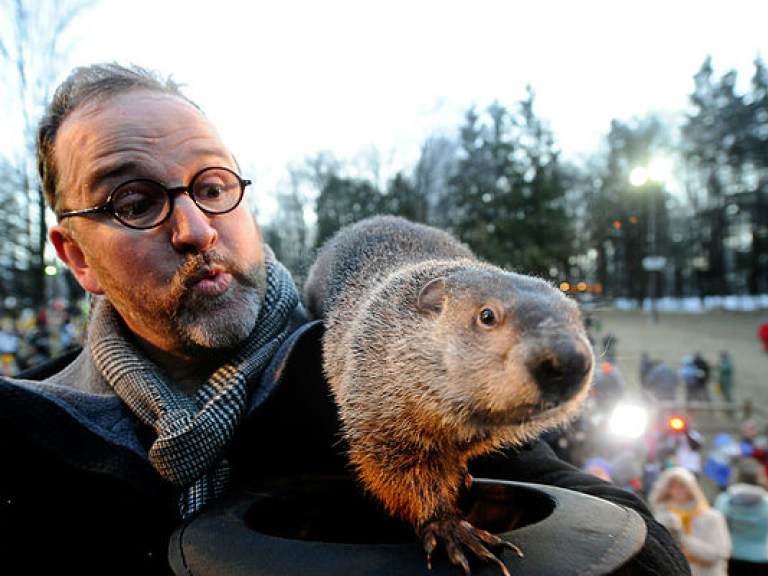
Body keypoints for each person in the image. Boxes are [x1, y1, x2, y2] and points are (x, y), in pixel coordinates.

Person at [0, 63, 690, 575]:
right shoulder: (34, 436)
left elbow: (596, 516)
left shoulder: (375, 361)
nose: (195, 229)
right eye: (132, 201)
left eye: (213, 188)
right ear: (76, 257)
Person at [649, 466, 732, 576]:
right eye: (673, 487)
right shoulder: (661, 517)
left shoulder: (712, 517)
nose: (679, 491)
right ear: (667, 490)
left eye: (682, 486)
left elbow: (718, 554)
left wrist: (682, 538)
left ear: (692, 488)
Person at [715, 457, 768, 575]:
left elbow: (720, 526)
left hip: (732, 554)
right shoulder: (766, 501)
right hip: (761, 556)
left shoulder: (725, 499)